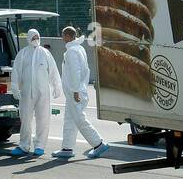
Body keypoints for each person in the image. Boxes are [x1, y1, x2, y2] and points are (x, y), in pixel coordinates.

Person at [53, 26, 108, 159]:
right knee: (69, 119)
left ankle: (98, 143)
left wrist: (76, 90)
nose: (62, 38)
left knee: (79, 119)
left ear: (67, 36)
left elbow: (76, 72)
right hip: (75, 91)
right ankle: (67, 148)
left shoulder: (72, 51)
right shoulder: (79, 48)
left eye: (63, 35)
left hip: (75, 92)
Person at [9, 28, 62, 157]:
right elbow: (16, 72)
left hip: (43, 92)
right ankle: (24, 145)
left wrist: (57, 86)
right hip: (26, 92)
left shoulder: (45, 53)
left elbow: (54, 71)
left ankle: (40, 145)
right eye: (33, 37)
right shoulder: (22, 54)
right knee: (25, 119)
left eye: (37, 37)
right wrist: (15, 88)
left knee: (43, 118)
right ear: (28, 38)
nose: (35, 39)